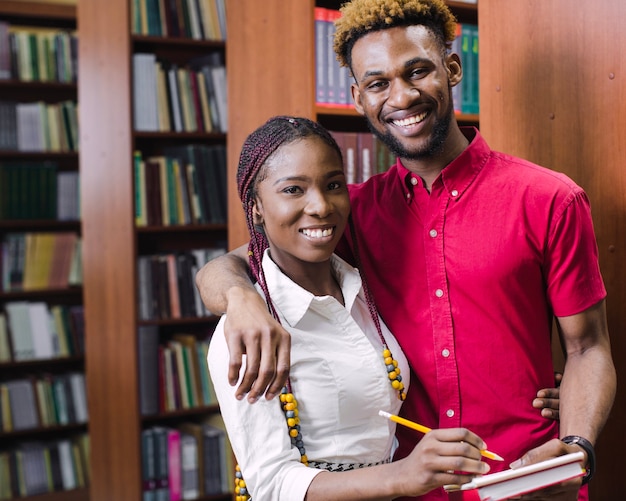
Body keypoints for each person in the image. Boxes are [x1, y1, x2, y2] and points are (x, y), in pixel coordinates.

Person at [197, 0, 616, 499]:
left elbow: (588, 348)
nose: (402, 96)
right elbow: (228, 264)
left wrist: (576, 442)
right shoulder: (345, 214)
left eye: (418, 71)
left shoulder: (548, 199)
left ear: (452, 68)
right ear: (357, 97)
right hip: (408, 490)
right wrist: (242, 300)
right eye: (378, 83)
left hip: (528, 480)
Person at [207, 115, 491, 501]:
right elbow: (272, 484)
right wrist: (401, 475)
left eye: (333, 185)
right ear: (256, 206)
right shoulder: (245, 332)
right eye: (293, 189)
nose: (321, 206)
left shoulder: (364, 291)